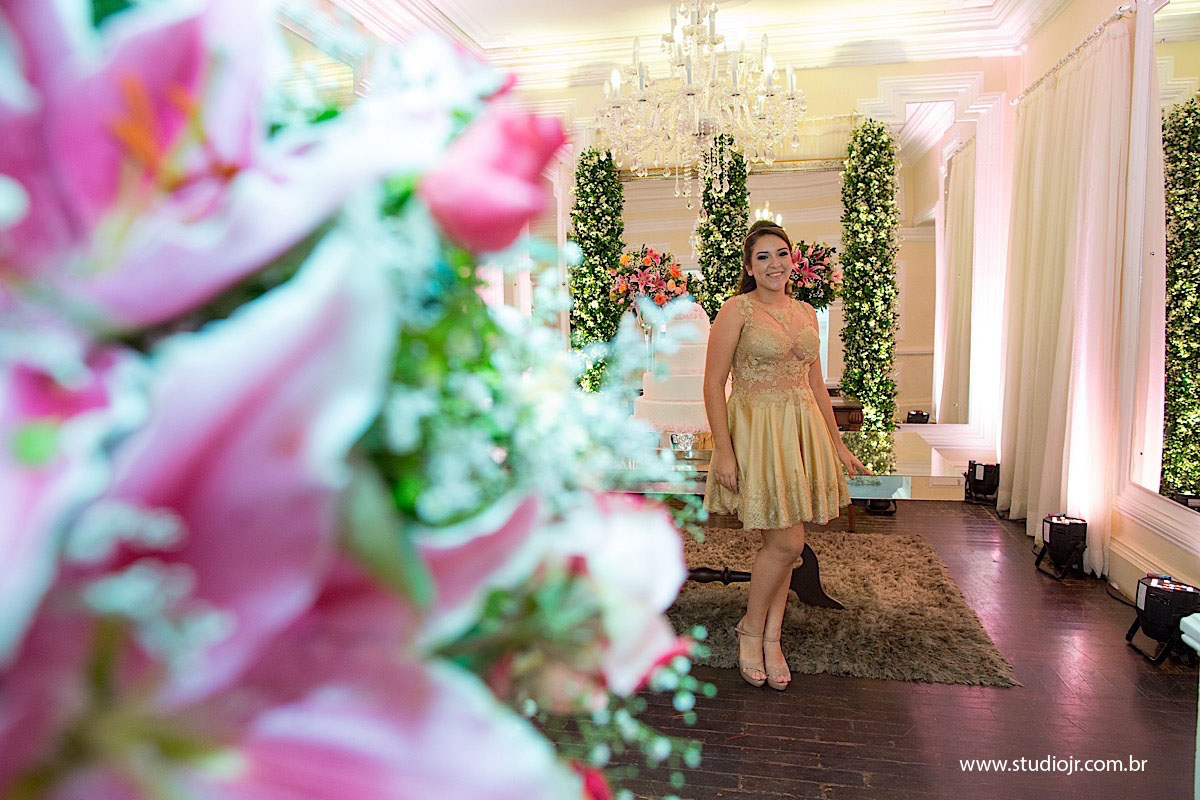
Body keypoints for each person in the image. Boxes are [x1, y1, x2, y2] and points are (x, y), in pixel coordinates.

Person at [703, 219, 870, 690]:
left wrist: (837, 444)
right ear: (749, 267)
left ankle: (770, 637)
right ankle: (750, 629)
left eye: (781, 254)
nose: (774, 264)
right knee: (788, 544)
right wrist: (724, 451)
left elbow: (816, 384)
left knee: (785, 542)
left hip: (800, 432)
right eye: (763, 257)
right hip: (757, 431)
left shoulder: (807, 312)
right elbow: (713, 385)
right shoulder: (736, 310)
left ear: (792, 259)